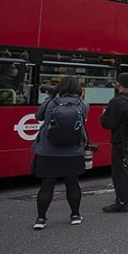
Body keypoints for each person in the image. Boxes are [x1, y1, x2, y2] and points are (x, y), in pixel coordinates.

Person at [30, 76, 88, 229]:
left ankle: (40, 219)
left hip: (48, 150)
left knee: (47, 185)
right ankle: (75, 215)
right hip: (73, 151)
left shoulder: (50, 103)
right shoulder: (82, 104)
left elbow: (38, 116)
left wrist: (50, 96)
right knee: (73, 184)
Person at [100, 73, 128, 213]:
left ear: (118, 84)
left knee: (121, 170)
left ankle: (122, 201)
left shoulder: (117, 101)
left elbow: (107, 123)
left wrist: (103, 114)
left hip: (121, 139)